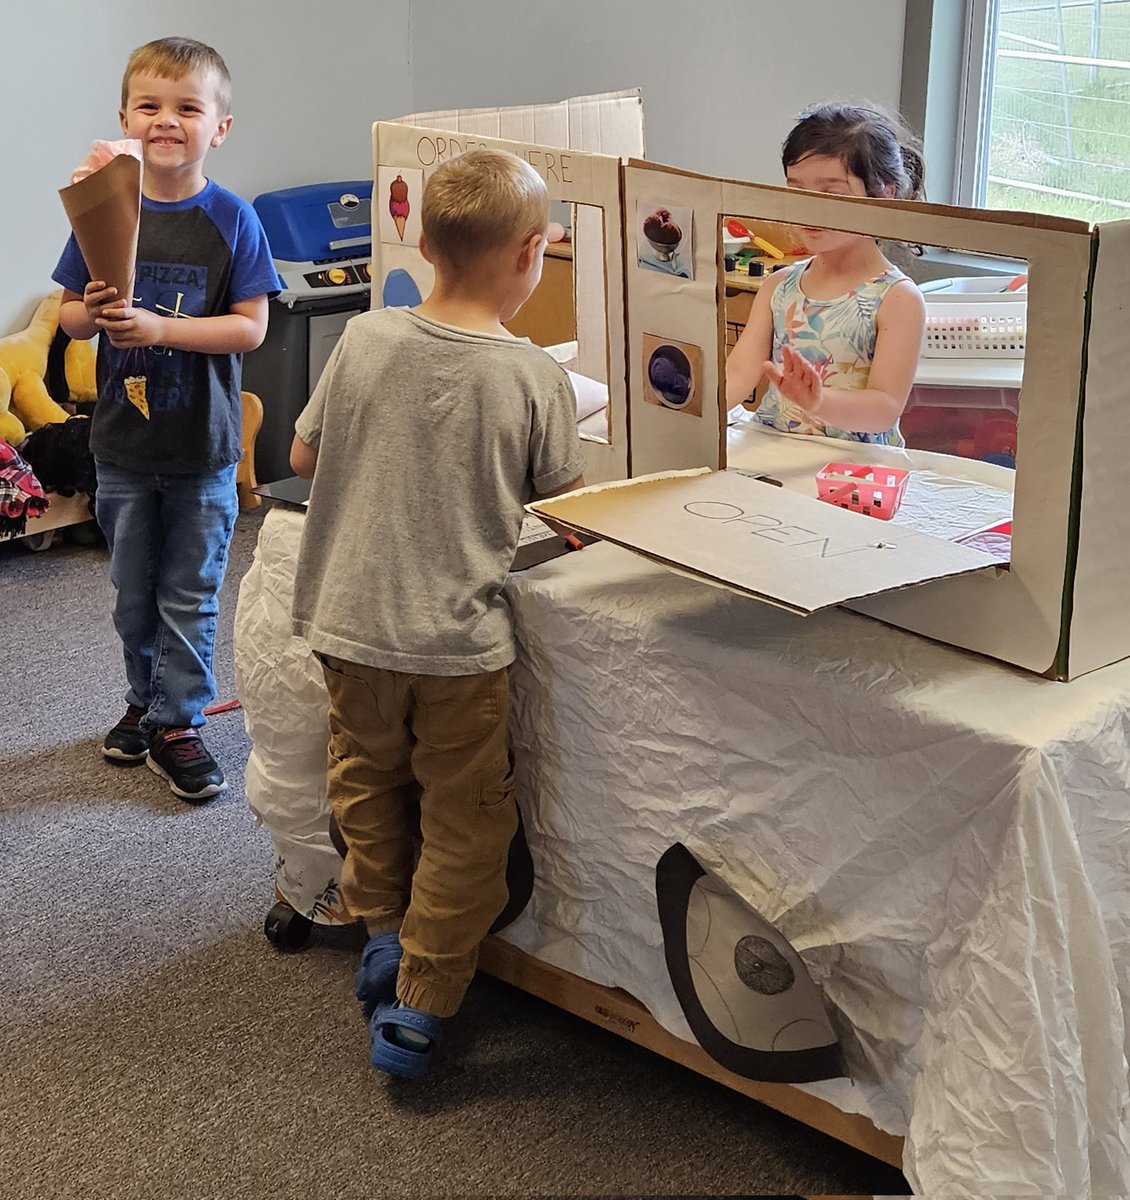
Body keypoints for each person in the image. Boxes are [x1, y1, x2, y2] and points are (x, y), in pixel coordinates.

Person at [289, 149, 586, 1079]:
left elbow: (302, 458)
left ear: (422, 241)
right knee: (467, 824)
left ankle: (378, 929)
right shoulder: (534, 376)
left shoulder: (366, 338)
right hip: (459, 648)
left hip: (348, 627)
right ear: (533, 254)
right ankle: (422, 1002)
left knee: (367, 788)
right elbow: (563, 506)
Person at [54, 37, 281, 800]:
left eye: (188, 107)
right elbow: (70, 319)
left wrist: (161, 330)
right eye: (149, 106)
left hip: (203, 448)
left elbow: (250, 329)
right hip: (119, 445)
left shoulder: (233, 220)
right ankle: (144, 702)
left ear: (219, 127)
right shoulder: (103, 207)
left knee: (188, 589)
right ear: (124, 117)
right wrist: (88, 310)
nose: (166, 120)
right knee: (131, 589)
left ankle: (180, 719)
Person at [726, 103, 927, 447]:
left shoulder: (897, 299)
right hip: (773, 456)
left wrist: (818, 402)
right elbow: (738, 374)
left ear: (883, 194)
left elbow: (884, 408)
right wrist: (680, 410)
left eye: (831, 194)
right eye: (798, 191)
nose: (810, 208)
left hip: (855, 474)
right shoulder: (778, 286)